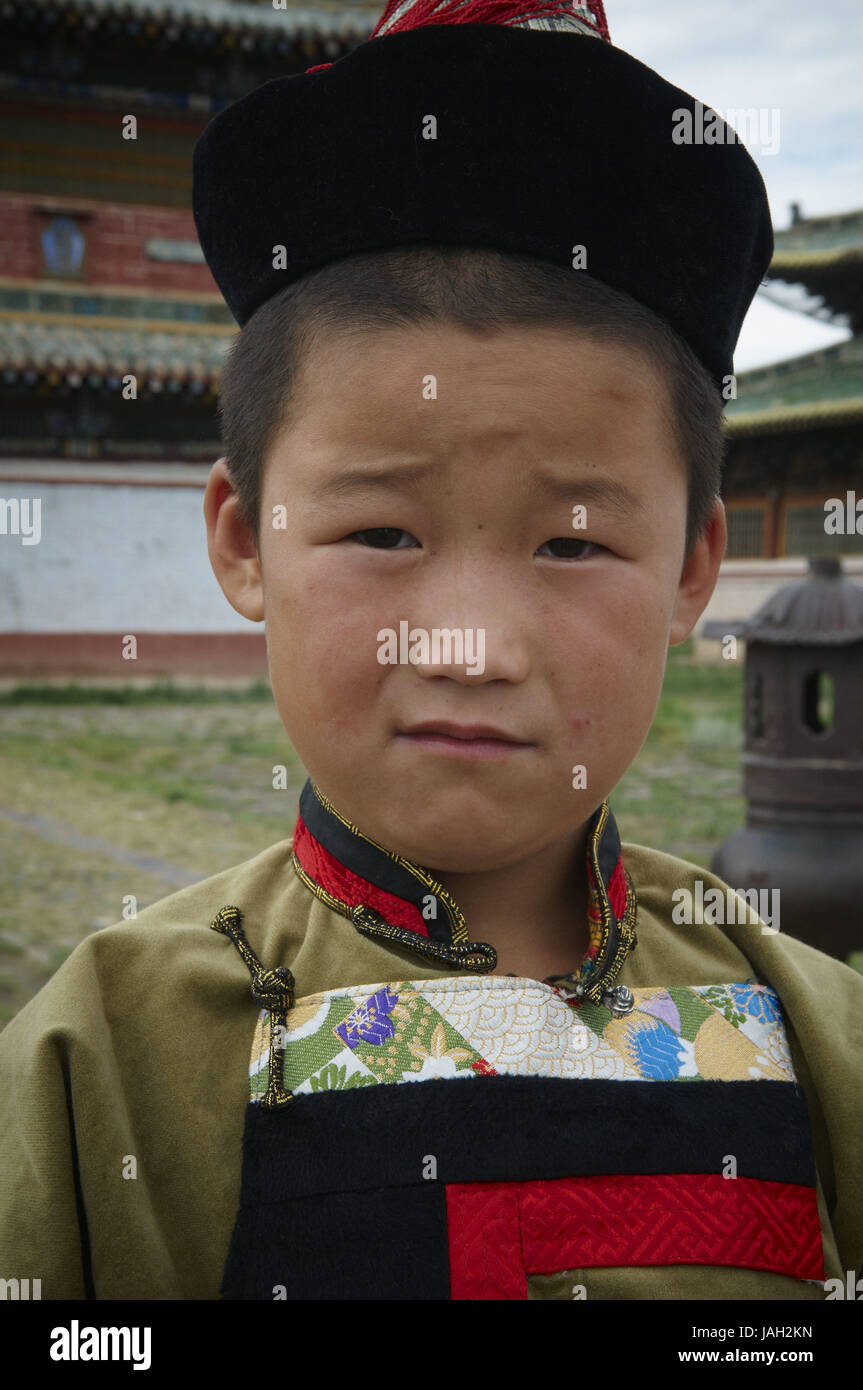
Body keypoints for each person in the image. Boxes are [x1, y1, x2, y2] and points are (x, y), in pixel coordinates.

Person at [1, 0, 860, 1301]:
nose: (468, 640)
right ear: (244, 538)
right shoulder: (100, 1057)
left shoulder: (818, 1034)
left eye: (571, 546)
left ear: (692, 568)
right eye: (384, 529)